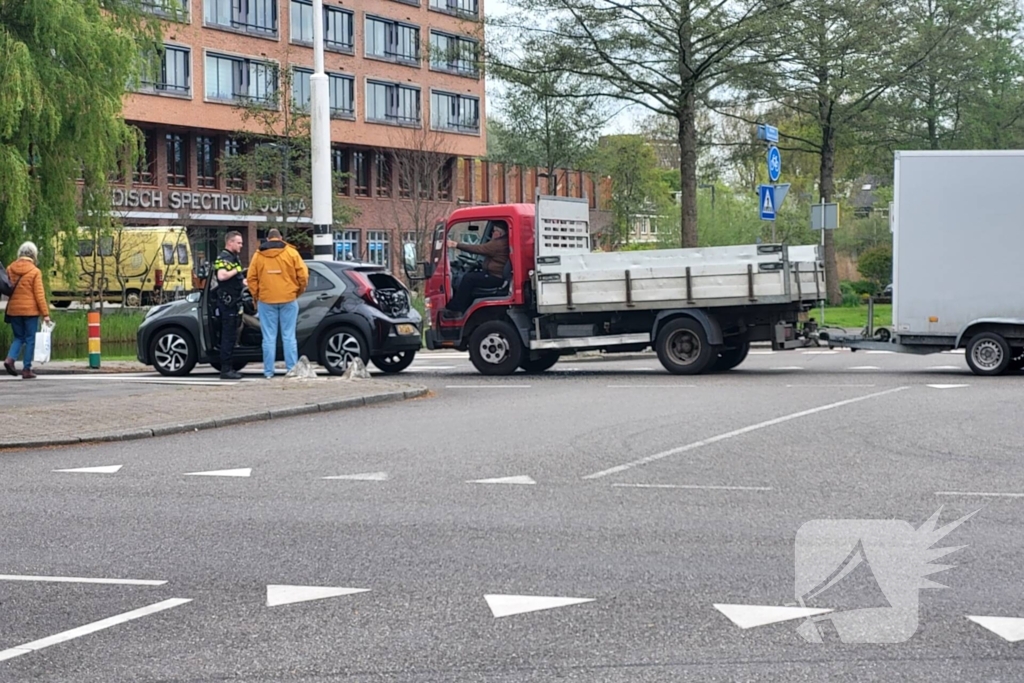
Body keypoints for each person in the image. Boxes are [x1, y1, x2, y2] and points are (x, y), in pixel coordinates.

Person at [247, 228, 308, 379]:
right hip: (288, 299)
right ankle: (291, 370)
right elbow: (303, 275)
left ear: (267, 239)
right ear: (280, 238)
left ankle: (268, 372)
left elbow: (251, 279)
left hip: (266, 300)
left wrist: (257, 295)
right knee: (289, 336)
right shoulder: (291, 253)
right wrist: (296, 292)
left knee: (268, 337)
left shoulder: (258, 255)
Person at [4, 242, 51, 380]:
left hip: (14, 310)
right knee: (30, 339)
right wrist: (46, 314)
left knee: (18, 337)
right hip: (30, 311)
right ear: (34, 255)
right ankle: (26, 369)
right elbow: (39, 294)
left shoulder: (10, 268)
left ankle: (10, 359)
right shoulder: (35, 271)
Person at [444, 222, 510, 316]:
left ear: (499, 233)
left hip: (495, 277)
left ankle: (455, 308)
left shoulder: (498, 244)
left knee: (468, 279)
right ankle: (465, 307)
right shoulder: (503, 242)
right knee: (472, 277)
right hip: (496, 275)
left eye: (493, 231)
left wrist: (456, 245)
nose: (492, 233)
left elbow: (478, 249)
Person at [213, 231, 246, 380]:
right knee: (228, 336)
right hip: (228, 304)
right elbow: (222, 276)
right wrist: (237, 269)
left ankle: (229, 367)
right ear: (230, 243)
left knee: (232, 336)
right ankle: (226, 370)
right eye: (238, 243)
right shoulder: (224, 257)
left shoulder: (233, 258)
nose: (241, 245)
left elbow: (238, 281)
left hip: (233, 302)